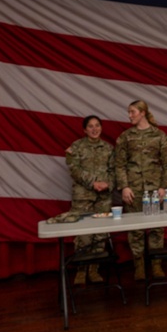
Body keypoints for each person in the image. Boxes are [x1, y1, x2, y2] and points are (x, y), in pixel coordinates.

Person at [114, 99, 167, 281]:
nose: (129, 115)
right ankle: (139, 266)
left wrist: (164, 187)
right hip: (134, 190)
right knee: (136, 230)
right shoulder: (125, 137)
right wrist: (124, 187)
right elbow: (119, 165)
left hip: (154, 190)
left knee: (156, 228)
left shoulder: (159, 136)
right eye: (129, 112)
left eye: (132, 112)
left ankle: (156, 264)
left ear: (142, 113)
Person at [65, 115, 115, 286]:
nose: (94, 129)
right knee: (84, 235)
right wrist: (93, 183)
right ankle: (81, 269)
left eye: (97, 125)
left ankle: (94, 269)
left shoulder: (109, 149)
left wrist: (107, 184)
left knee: (100, 234)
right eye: (90, 126)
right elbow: (74, 170)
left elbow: (115, 171)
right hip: (83, 197)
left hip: (103, 197)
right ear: (84, 130)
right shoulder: (76, 147)